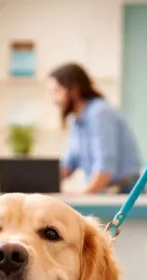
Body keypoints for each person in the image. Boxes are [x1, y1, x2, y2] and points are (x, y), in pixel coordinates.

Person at [47, 63, 141, 195]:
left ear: (74, 90)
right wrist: (40, 182)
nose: (54, 100)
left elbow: (105, 169)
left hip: (123, 191)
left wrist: (83, 197)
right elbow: (70, 162)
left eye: (57, 92)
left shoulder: (99, 112)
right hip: (106, 190)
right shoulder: (76, 119)